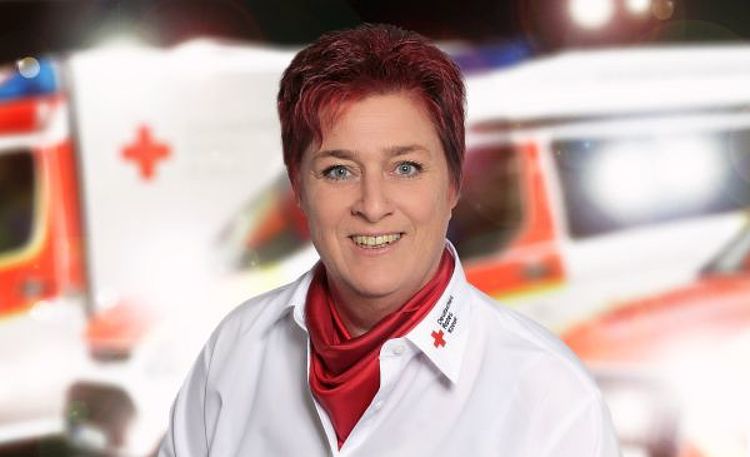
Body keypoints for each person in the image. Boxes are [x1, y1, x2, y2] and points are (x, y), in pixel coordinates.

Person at [159, 24, 621, 456]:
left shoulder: (552, 399)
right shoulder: (235, 351)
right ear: (298, 187)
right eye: (338, 171)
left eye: (405, 168)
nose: (373, 205)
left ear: (453, 184)